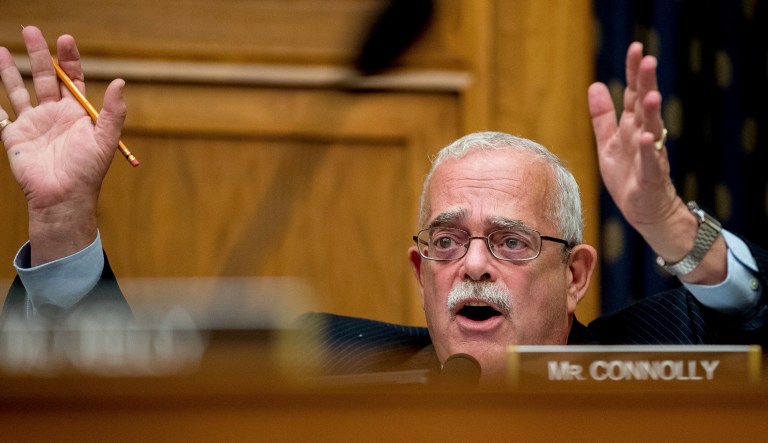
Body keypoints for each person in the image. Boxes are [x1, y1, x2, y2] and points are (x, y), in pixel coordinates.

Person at [1, 28, 765, 381]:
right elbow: (127, 418)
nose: (471, 264)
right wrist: (65, 220)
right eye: (446, 240)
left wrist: (671, 228)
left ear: (575, 274)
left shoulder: (655, 357)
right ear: (418, 266)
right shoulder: (327, 364)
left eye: (510, 241)